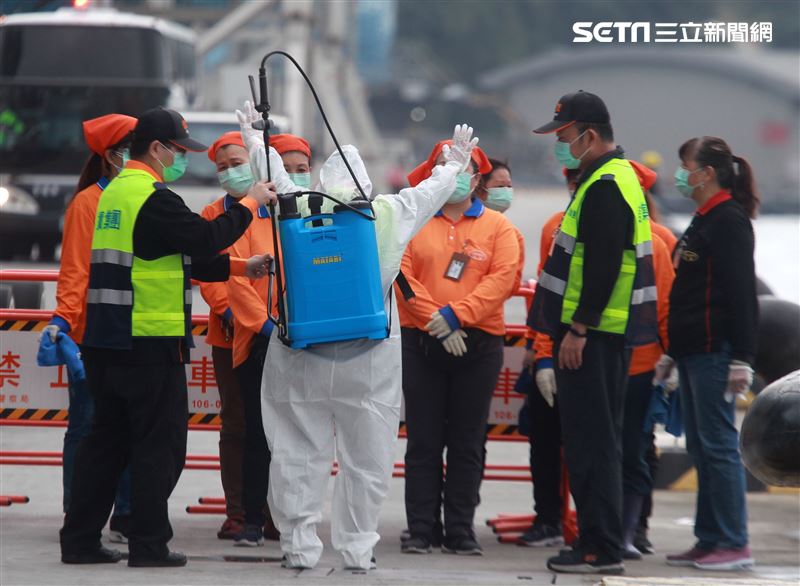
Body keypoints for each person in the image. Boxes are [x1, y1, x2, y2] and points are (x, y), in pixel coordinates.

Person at [237, 100, 480, 570]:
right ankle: (357, 550)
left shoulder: (298, 207)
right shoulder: (388, 212)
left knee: (294, 452)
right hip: (369, 359)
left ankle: (299, 547)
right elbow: (430, 192)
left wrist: (255, 140)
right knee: (366, 460)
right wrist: (454, 163)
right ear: (366, 185)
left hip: (301, 354)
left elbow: (276, 177)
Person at [59, 107, 276, 568]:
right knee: (160, 447)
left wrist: (241, 267)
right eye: (178, 151)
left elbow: (170, 257)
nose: (181, 161)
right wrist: (252, 202)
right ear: (156, 149)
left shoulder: (114, 193)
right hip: (149, 342)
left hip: (106, 342)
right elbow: (206, 237)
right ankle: (149, 544)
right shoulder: (154, 197)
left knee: (106, 444)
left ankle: (78, 540)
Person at [528, 91, 658, 575]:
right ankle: (595, 539)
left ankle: (599, 547)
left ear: (589, 133)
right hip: (605, 332)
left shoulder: (604, 185)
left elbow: (603, 265)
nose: (560, 144)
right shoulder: (615, 178)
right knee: (595, 440)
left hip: (594, 334)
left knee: (591, 443)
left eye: (563, 135)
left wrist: (578, 328)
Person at [399, 142, 519, 556]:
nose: (457, 176)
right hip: (421, 341)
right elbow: (402, 276)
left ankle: (460, 529)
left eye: (464, 168)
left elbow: (502, 280)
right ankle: (420, 528)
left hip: (479, 344)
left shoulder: (499, 228)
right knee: (424, 440)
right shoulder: (414, 223)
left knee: (468, 441)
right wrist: (436, 319)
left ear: (478, 179)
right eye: (447, 168)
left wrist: (458, 316)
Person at [657, 136, 759, 571]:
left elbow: (740, 295)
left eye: (686, 166)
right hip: (693, 350)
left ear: (707, 173)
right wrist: (673, 353)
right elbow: (691, 292)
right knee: (700, 446)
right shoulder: (705, 219)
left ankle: (734, 542)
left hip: (716, 351)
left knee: (717, 446)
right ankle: (709, 537)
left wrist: (743, 359)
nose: (680, 175)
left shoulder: (729, 221)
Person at [40, 114, 136, 543]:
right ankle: (78, 514)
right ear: (112, 155)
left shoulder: (146, 196)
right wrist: (63, 320)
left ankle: (127, 513)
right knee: (87, 426)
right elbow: (75, 271)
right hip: (92, 337)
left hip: (135, 332)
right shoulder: (87, 205)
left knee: (132, 428)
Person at [225, 133, 313, 546]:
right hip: (259, 342)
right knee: (258, 435)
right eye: (285, 169)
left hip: (305, 342)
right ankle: (251, 520)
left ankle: (290, 517)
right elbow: (237, 279)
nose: (293, 177)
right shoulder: (249, 219)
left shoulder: (313, 216)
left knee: (298, 436)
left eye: (301, 169)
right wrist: (266, 328)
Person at [199, 131, 277, 541]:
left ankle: (273, 512)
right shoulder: (213, 214)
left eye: (237, 162)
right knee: (237, 424)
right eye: (223, 166)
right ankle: (238, 511)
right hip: (230, 335)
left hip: (278, 338)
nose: (231, 171)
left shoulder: (275, 212)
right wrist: (229, 310)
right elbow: (209, 272)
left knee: (279, 427)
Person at [620, 161, 676, 560]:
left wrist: (670, 359)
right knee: (604, 450)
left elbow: (666, 308)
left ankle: (632, 529)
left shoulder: (659, 244)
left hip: (641, 366)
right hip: (600, 363)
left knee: (636, 450)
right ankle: (610, 528)